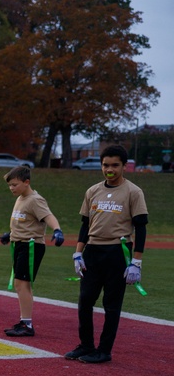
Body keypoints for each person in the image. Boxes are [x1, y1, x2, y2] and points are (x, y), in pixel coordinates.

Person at [67, 144, 148, 364]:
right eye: (105, 165)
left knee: (111, 304)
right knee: (85, 301)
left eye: (115, 165)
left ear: (124, 166)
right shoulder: (92, 191)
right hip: (93, 251)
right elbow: (85, 224)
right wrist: (78, 253)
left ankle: (104, 350)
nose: (109, 169)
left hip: (117, 252)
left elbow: (140, 227)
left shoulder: (133, 192)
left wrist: (136, 262)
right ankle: (86, 345)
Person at [0, 166, 64, 337]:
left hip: (31, 246)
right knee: (20, 284)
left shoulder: (35, 199)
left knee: (22, 284)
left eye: (14, 184)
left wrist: (57, 230)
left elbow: (48, 216)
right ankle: (24, 321)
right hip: (19, 244)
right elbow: (24, 221)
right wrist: (10, 235)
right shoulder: (21, 198)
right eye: (10, 185)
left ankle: (27, 325)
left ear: (26, 182)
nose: (11, 188)